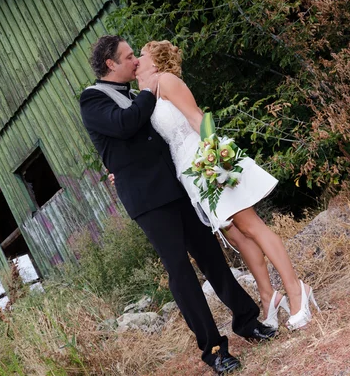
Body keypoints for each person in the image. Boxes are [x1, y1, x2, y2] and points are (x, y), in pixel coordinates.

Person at [80, 35, 277, 375]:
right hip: (147, 200)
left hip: (177, 186)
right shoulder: (92, 99)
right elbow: (124, 126)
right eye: (129, 57)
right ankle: (214, 350)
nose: (136, 61)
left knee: (212, 257)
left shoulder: (133, 92)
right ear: (110, 64)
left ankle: (246, 320)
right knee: (181, 271)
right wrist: (148, 91)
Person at [135, 40, 320, 332]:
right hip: (189, 174)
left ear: (155, 62)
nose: (136, 60)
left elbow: (197, 117)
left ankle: (297, 291)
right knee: (236, 236)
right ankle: (268, 295)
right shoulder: (148, 94)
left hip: (205, 161)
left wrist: (214, 159)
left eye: (141, 55)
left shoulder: (167, 81)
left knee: (251, 226)